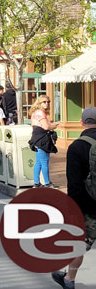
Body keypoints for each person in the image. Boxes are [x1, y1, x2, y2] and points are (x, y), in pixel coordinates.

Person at [51, 107, 96, 289]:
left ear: (81, 123)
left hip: (87, 206)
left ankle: (69, 279)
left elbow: (74, 185)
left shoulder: (77, 147)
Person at [27, 95, 58, 187]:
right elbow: (46, 127)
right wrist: (54, 126)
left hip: (37, 139)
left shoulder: (36, 112)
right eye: (44, 102)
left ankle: (37, 182)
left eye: (48, 102)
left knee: (39, 162)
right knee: (44, 162)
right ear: (39, 103)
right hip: (42, 139)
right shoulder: (40, 113)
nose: (47, 104)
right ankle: (47, 183)